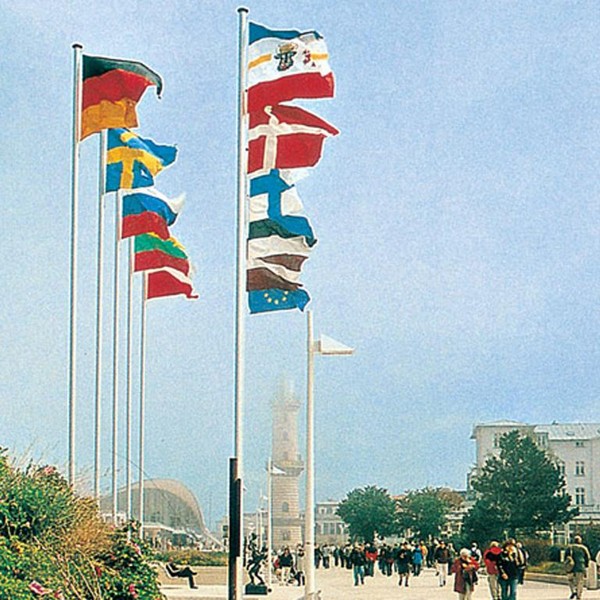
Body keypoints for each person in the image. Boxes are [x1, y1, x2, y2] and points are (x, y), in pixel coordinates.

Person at [565, 535, 591, 600]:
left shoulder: (569, 548)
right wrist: (586, 565)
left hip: (571, 567)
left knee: (570, 580)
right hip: (580, 567)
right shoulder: (584, 548)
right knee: (580, 581)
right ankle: (579, 595)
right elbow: (588, 557)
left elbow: (566, 557)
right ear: (580, 541)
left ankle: (573, 591)